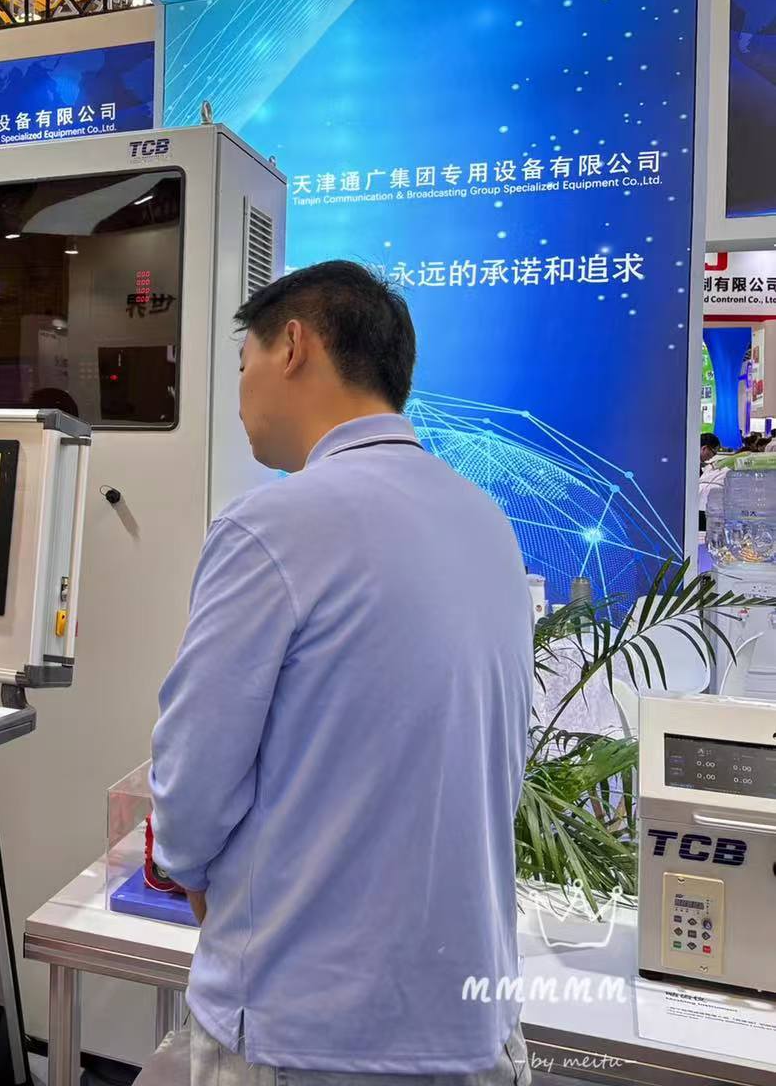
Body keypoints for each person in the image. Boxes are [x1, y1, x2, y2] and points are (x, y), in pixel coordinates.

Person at [148, 261, 533, 1085]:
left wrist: (191, 872)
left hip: (302, 1030)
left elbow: (192, 775)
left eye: (243, 361)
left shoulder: (272, 526)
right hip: (473, 1030)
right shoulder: (487, 523)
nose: (239, 391)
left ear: (293, 346)